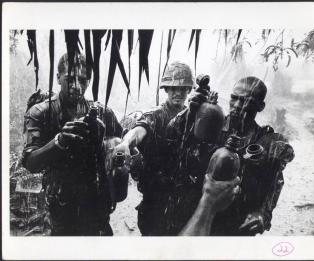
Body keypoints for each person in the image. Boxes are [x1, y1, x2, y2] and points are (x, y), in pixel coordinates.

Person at [166, 76, 294, 236]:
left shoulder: (267, 142)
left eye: (246, 101)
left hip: (236, 226)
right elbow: (173, 136)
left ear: (260, 106)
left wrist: (263, 213)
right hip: (198, 217)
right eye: (234, 99)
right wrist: (190, 112)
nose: (237, 106)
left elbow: (275, 181)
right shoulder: (211, 123)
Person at [22, 53, 123, 236]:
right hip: (60, 211)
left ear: (89, 81)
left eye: (83, 80)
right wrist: (59, 142)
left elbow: (123, 148)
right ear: (58, 78)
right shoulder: (41, 113)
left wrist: (109, 148)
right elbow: (30, 162)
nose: (77, 86)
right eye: (70, 79)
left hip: (96, 209)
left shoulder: (103, 112)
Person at [114, 61, 207, 236]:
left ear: (189, 90)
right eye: (173, 88)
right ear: (166, 89)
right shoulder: (155, 116)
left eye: (183, 88)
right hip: (155, 200)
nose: (178, 93)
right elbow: (138, 131)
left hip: (183, 201)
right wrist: (126, 143)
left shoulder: (195, 118)